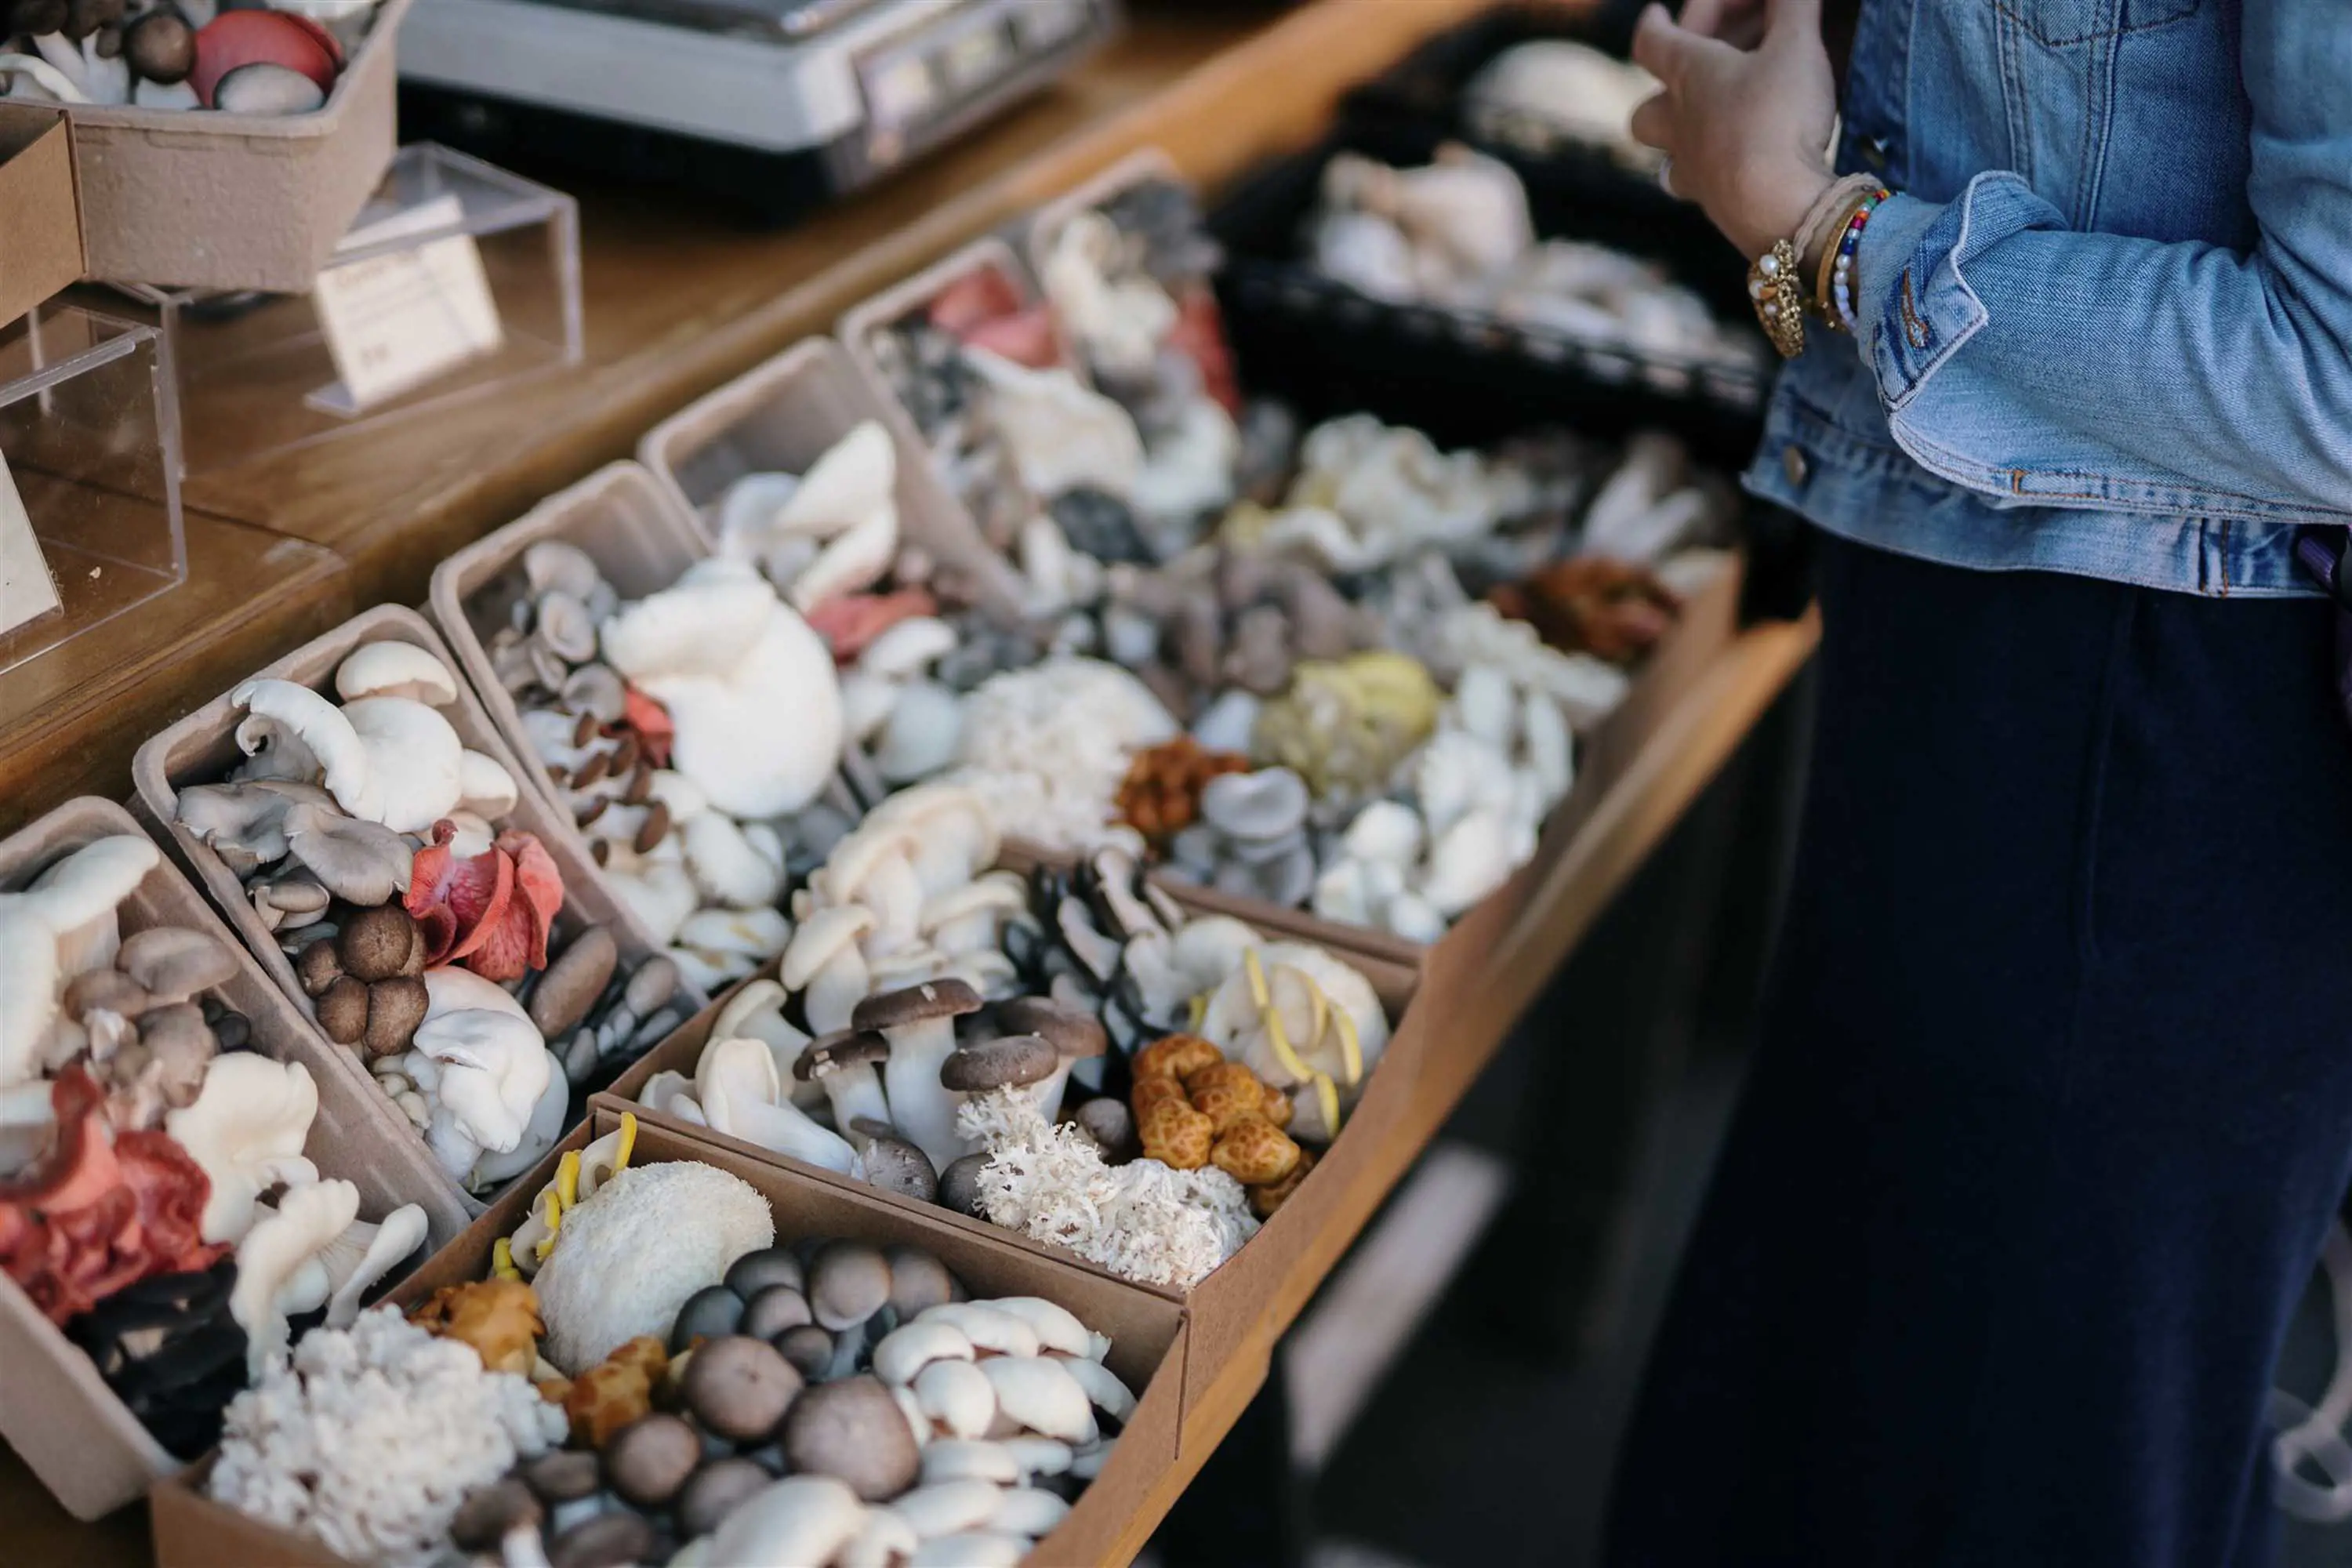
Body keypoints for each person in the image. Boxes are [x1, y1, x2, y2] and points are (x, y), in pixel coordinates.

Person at [1603, 2, 2352, 1565]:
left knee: (2008, 1473)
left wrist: (1823, 231)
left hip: (2153, 734)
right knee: (1837, 1438)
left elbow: (2332, 378)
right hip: (1999, 644)